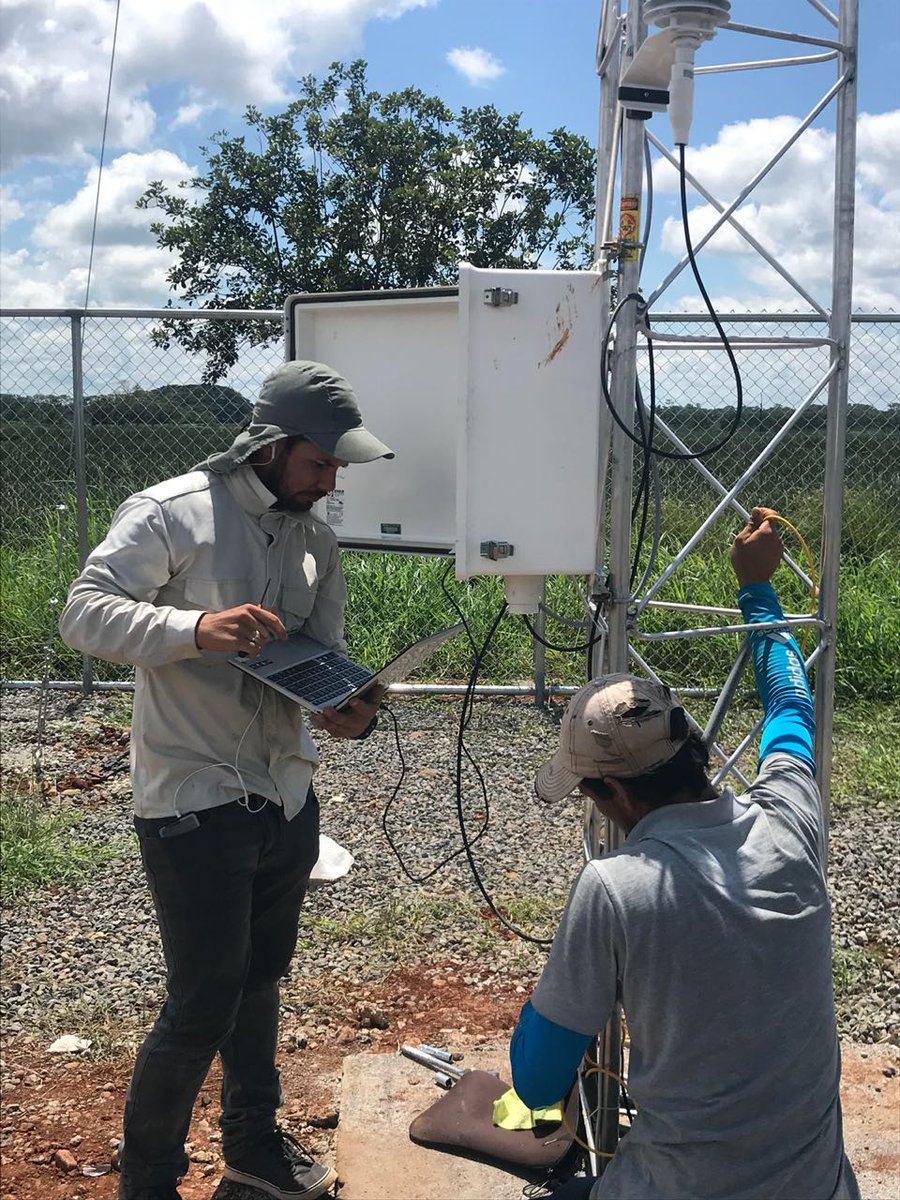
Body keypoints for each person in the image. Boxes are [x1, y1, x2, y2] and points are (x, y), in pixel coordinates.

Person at [59, 360, 393, 1200]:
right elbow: (83, 613)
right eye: (322, 462)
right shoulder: (174, 513)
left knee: (260, 979)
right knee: (203, 1000)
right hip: (194, 797)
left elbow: (322, 653)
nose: (332, 479)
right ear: (273, 448)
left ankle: (252, 1149)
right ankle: (148, 1181)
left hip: (285, 792)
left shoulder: (313, 536)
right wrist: (196, 627)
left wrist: (350, 708)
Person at [509, 507, 860, 1200]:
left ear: (610, 791)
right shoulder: (789, 822)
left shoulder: (616, 888)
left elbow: (536, 1083)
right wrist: (757, 589)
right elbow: (789, 703)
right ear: (690, 748)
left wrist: (562, 989)